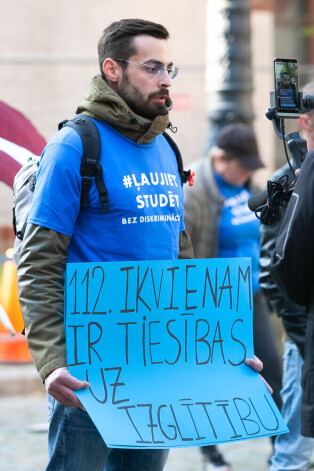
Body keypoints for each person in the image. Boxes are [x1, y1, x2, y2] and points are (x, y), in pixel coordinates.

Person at [17, 19, 266, 471]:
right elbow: (38, 261)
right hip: (91, 372)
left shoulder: (166, 149)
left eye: (171, 67)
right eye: (153, 67)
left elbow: (181, 257)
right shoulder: (75, 145)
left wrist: (217, 349)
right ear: (112, 69)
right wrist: (52, 361)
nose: (166, 79)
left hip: (158, 373)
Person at [183, 123, 283, 471]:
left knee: (273, 369)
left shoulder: (248, 189)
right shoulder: (194, 191)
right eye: (241, 166)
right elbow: (184, 249)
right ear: (220, 158)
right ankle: (211, 456)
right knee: (208, 379)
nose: (246, 174)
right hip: (213, 300)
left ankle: (281, 450)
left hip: (252, 296)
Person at [260, 81, 314, 471]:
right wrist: (300, 334)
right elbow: (274, 269)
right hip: (304, 337)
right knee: (295, 451)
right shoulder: (289, 180)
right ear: (305, 120)